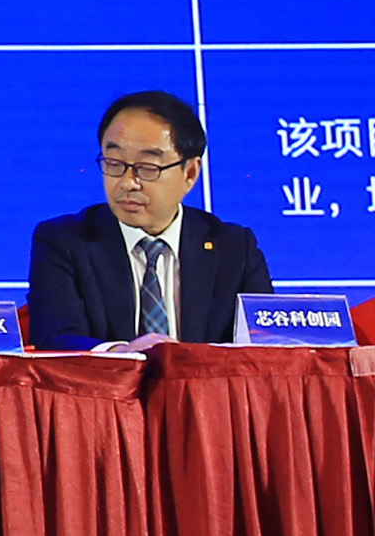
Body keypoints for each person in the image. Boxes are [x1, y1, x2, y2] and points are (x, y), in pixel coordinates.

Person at [25, 89, 275, 350]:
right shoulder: (65, 240)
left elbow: (266, 343)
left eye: (147, 168)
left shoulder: (234, 248)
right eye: (114, 163)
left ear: (190, 173)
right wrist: (122, 354)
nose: (127, 183)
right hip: (110, 377)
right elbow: (54, 338)